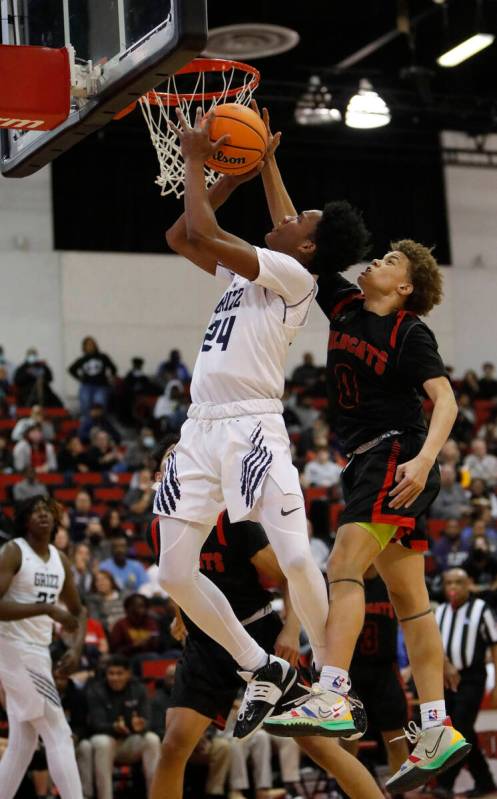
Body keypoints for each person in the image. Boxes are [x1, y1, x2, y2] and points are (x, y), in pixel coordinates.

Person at [257, 107, 470, 792]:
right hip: (373, 461)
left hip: (393, 455)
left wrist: (422, 459)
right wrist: (265, 163)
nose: (375, 259)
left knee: (344, 565)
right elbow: (299, 238)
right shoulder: (345, 305)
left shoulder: (408, 332)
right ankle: (435, 726)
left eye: (388, 260)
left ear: (403, 285)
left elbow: (446, 400)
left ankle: (333, 690)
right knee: (410, 600)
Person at [154, 105, 369, 741]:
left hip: (251, 428)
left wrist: (200, 161)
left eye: (302, 220)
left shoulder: (292, 274)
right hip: (200, 428)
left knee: (299, 557)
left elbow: (203, 224)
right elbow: (182, 236)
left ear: (307, 247)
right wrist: (252, 167)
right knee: (171, 573)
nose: (289, 216)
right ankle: (262, 667)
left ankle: (334, 686)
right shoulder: (258, 269)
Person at [147, 508, 383, 799]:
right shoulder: (160, 528)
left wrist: (291, 631)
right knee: (173, 745)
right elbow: (177, 580)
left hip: (257, 634)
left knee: (317, 745)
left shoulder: (231, 522)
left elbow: (289, 576)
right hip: (206, 646)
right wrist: (180, 615)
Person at [0, 495, 87, 798]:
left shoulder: (59, 558)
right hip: (12, 648)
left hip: (37, 650)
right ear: (24, 520)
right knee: (59, 732)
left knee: (23, 741)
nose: (43, 515)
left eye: (47, 511)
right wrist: (46, 609)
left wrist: (76, 649)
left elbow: (79, 610)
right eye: (35, 511)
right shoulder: (13, 552)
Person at [341, 565, 409, 781]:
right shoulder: (343, 582)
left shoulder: (391, 581)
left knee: (396, 740)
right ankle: (348, 793)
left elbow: (413, 625)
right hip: (351, 671)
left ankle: (400, 795)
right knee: (347, 741)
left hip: (385, 671)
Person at [434, 568, 497, 797]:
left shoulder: (481, 610)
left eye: (458, 582)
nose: (453, 587)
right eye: (448, 582)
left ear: (469, 584)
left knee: (459, 730)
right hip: (446, 679)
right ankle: (486, 782)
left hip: (472, 678)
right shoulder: (439, 611)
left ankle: (445, 784)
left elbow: (494, 645)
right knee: (463, 730)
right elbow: (435, 647)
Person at [86, 654, 161, 799]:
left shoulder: (139, 689)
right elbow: (95, 724)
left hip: (130, 742)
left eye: (119, 673)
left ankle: (155, 795)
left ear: (128, 673)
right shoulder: (96, 690)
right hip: (107, 742)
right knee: (103, 742)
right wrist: (114, 727)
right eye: (111, 674)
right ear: (106, 674)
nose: (115, 678)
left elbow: (147, 720)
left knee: (152, 739)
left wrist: (141, 726)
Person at [68, 337, 117, 419]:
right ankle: (88, 425)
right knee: (85, 405)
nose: (90, 346)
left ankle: (100, 425)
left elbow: (113, 368)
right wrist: (79, 378)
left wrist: (111, 378)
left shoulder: (103, 357)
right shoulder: (82, 359)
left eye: (92, 344)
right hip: (86, 385)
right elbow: (71, 369)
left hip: (101, 386)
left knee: (100, 404)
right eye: (88, 345)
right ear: (84, 347)